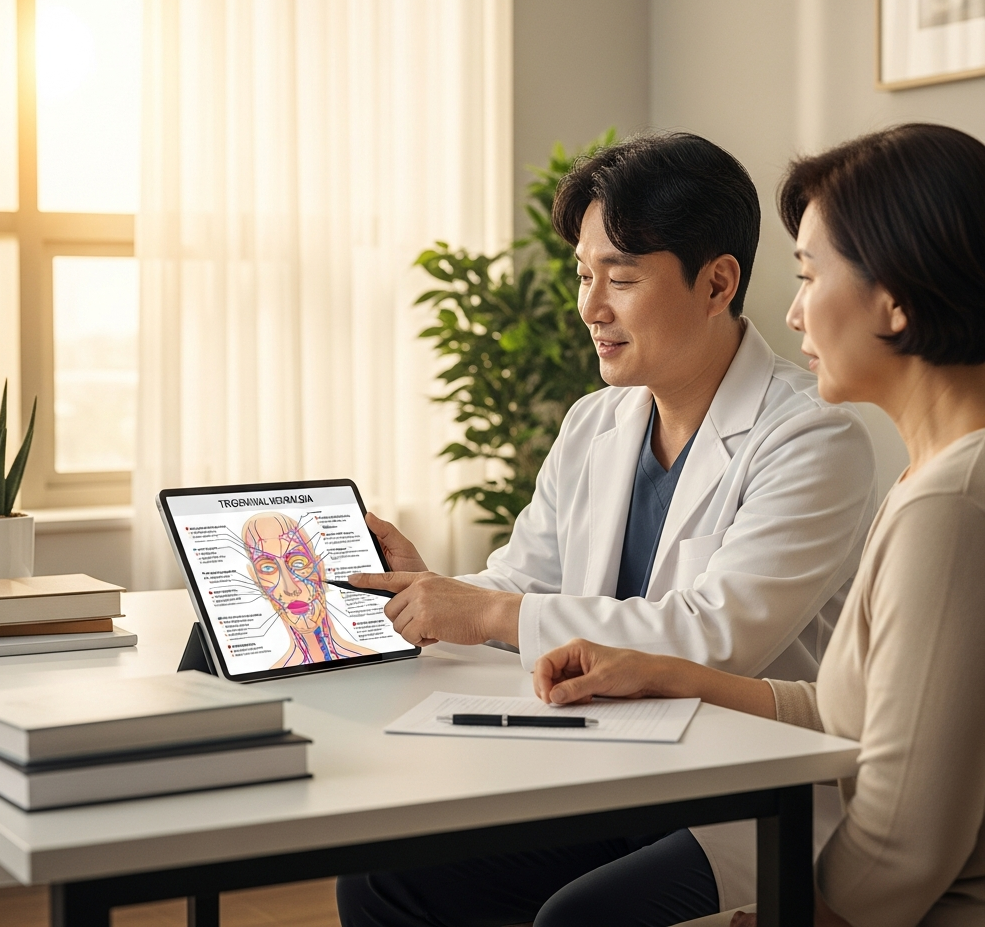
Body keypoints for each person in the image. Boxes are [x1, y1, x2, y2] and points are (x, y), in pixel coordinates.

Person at [337, 133, 877, 926]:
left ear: (718, 282)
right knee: (384, 880)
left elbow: (716, 636)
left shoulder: (813, 438)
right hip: (597, 765)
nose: (590, 307)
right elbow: (523, 585)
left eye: (620, 279)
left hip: (729, 791)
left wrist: (487, 610)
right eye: (584, 275)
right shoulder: (597, 422)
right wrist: (435, 591)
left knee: (582, 917)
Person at [533, 123, 985, 927]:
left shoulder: (949, 504)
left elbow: (902, 848)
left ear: (897, 297)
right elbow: (848, 715)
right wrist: (668, 673)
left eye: (811, 275)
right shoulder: (937, 480)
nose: (794, 311)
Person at [242, 512, 375, 665]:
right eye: (267, 568)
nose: (290, 589)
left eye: (298, 563)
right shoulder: (269, 680)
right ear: (256, 580)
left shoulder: (373, 661)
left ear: (320, 569)